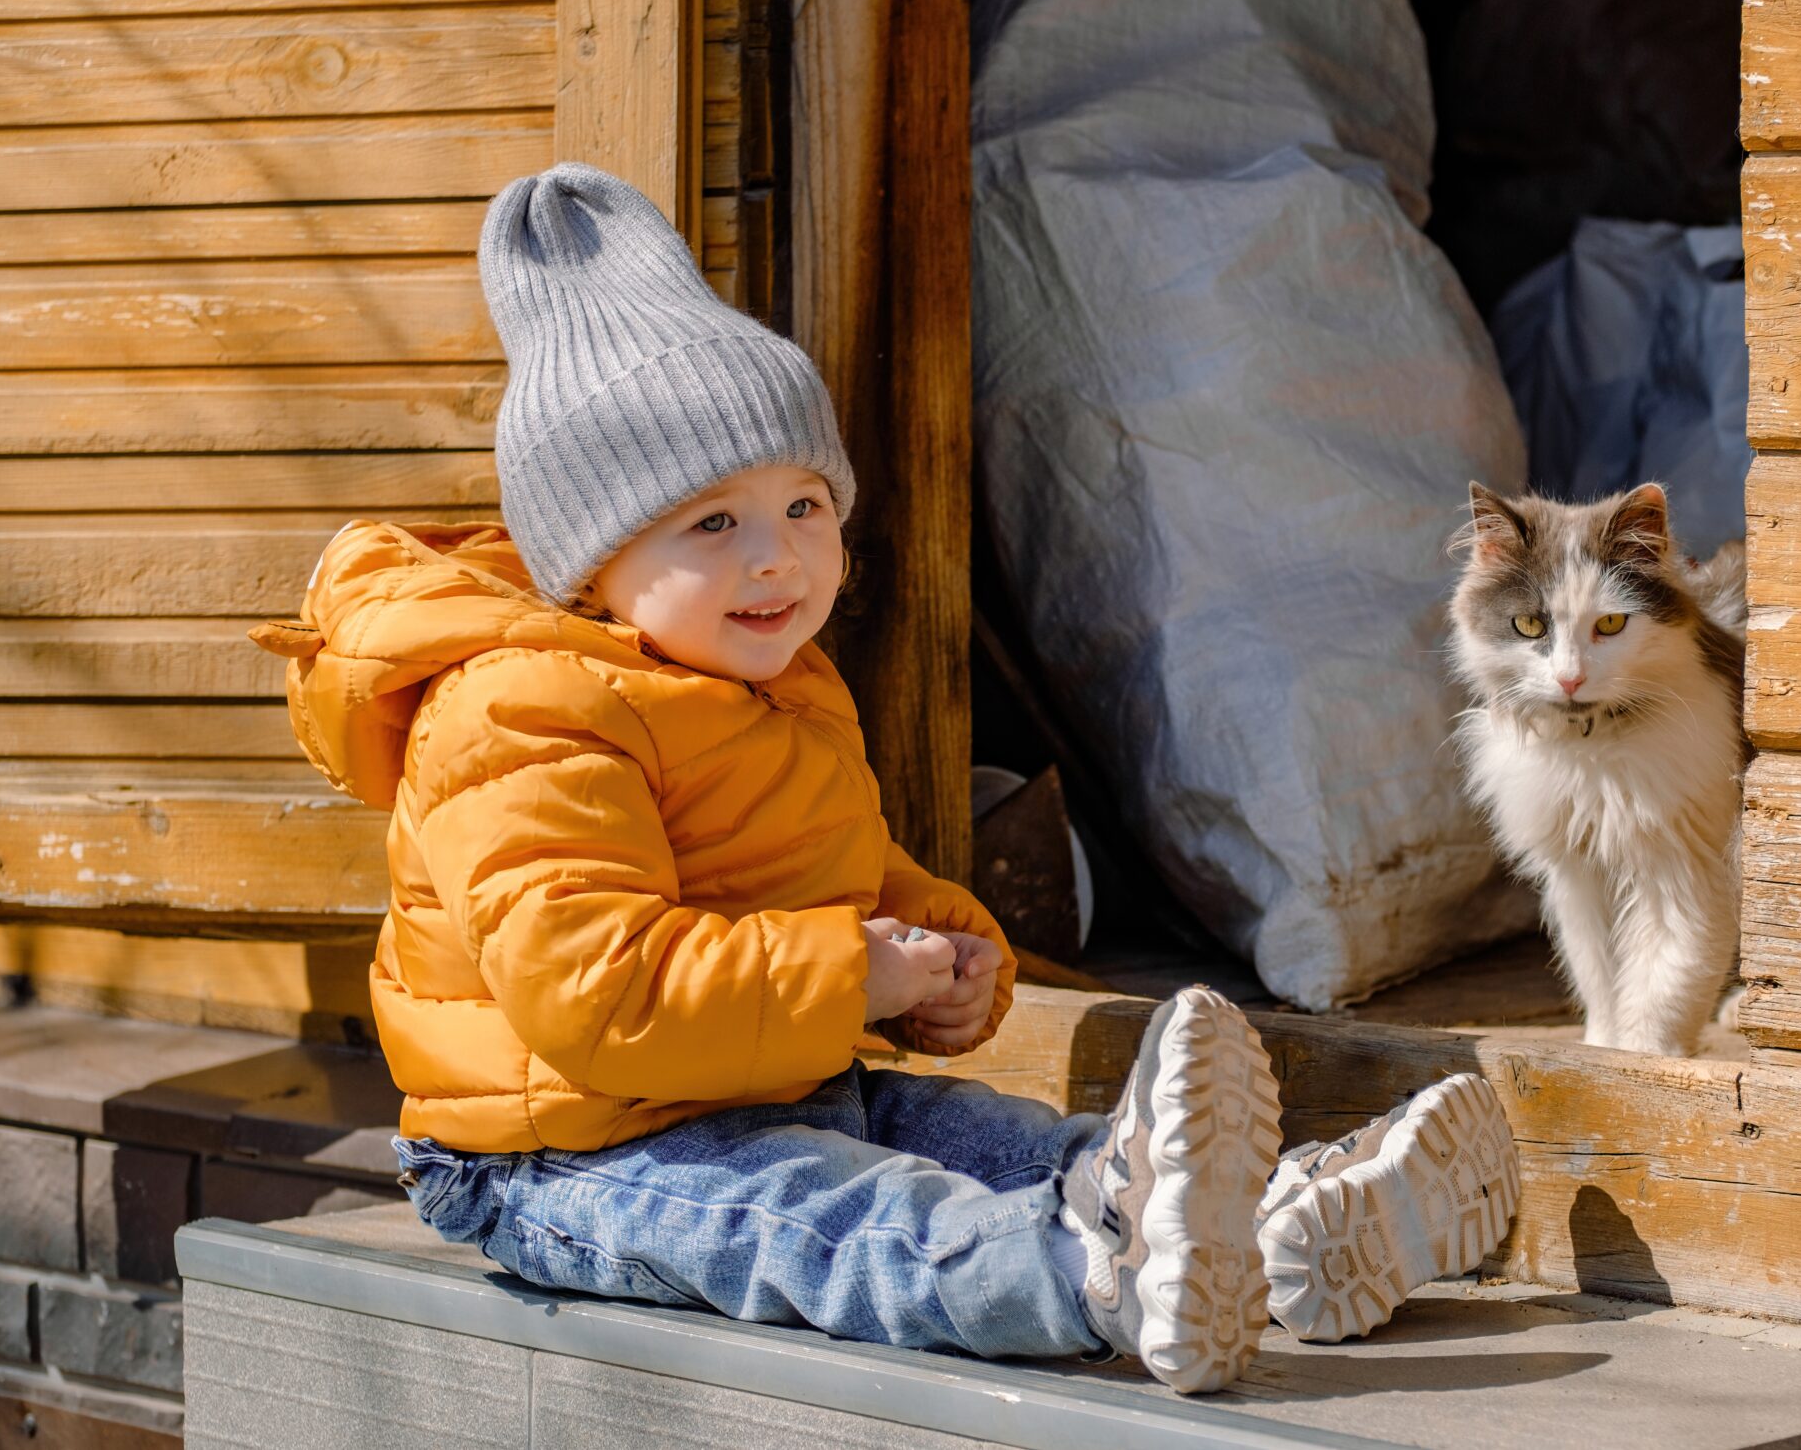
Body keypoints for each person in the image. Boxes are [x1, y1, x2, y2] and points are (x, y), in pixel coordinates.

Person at [252, 163, 1518, 1392]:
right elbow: (598, 993)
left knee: (994, 1141)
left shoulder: (763, 683)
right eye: (715, 524)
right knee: (849, 1222)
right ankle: (1086, 1273)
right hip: (567, 1153)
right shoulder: (517, 713)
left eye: (806, 506)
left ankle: (1279, 1226)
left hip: (766, 1081)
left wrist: (933, 950)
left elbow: (815, 870)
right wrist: (854, 969)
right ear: (593, 561)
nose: (780, 560)